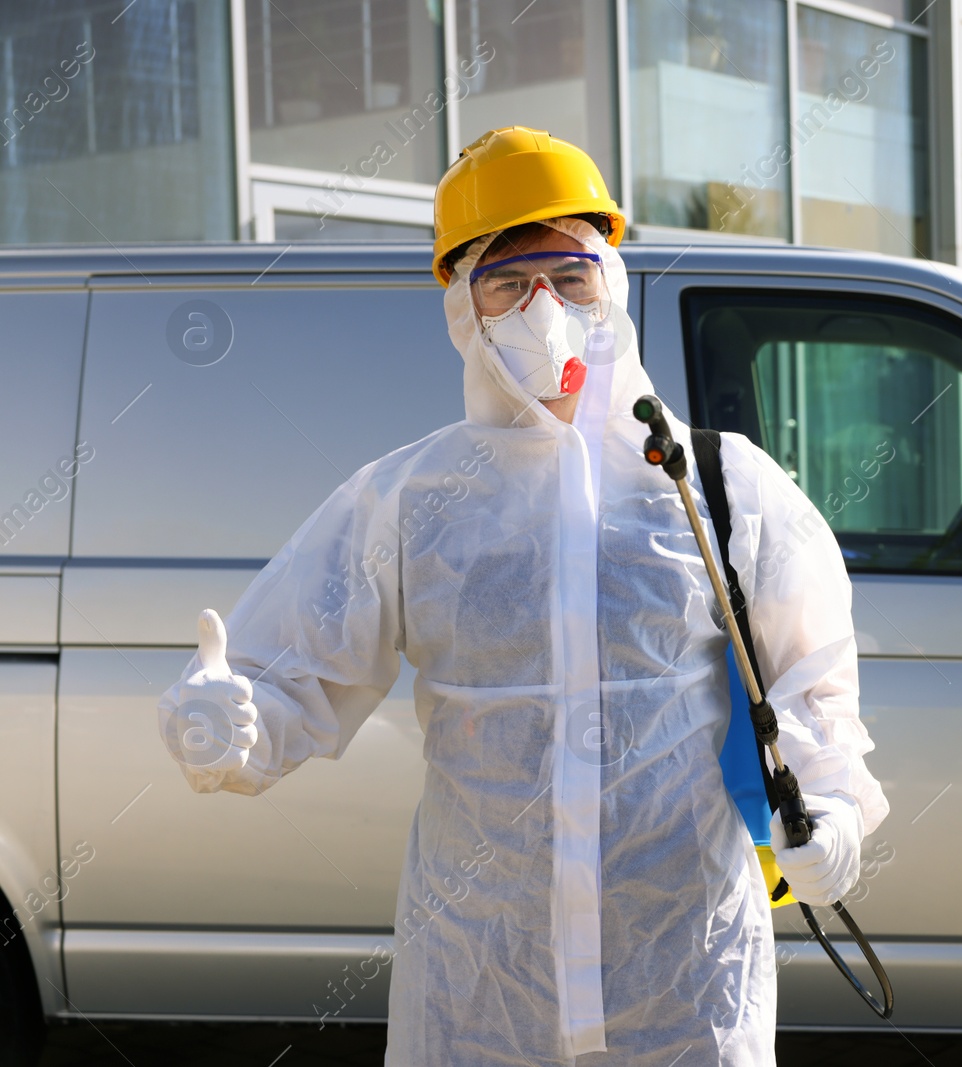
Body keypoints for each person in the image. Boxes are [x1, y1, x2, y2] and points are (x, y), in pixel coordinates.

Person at [156, 127, 889, 1066]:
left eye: (568, 273)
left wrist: (826, 802)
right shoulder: (413, 499)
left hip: (684, 990)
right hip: (482, 996)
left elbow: (811, 669)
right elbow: (290, 665)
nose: (544, 308)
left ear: (610, 282)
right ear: (465, 309)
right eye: (508, 281)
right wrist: (235, 719)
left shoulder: (716, 482)